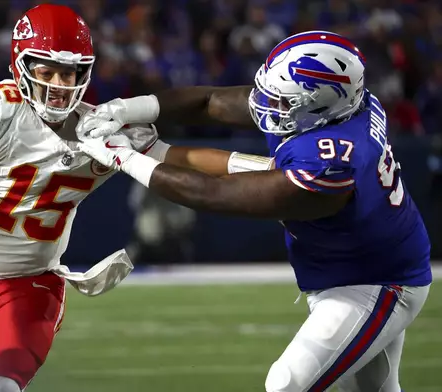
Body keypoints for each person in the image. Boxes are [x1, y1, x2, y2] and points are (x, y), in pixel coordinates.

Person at [0, 4, 264, 392]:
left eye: (69, 72)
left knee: (2, 383)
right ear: (22, 67)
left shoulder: (103, 129)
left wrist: (267, 169)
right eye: (47, 70)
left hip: (33, 284)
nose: (59, 83)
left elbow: (183, 159)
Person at [77, 31, 432, 392]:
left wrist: (125, 158)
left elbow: (215, 193)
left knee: (286, 384)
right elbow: (212, 102)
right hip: (359, 261)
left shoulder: (334, 163)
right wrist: (125, 110)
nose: (266, 106)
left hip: (377, 282)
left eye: (281, 101)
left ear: (321, 105)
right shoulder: (334, 113)